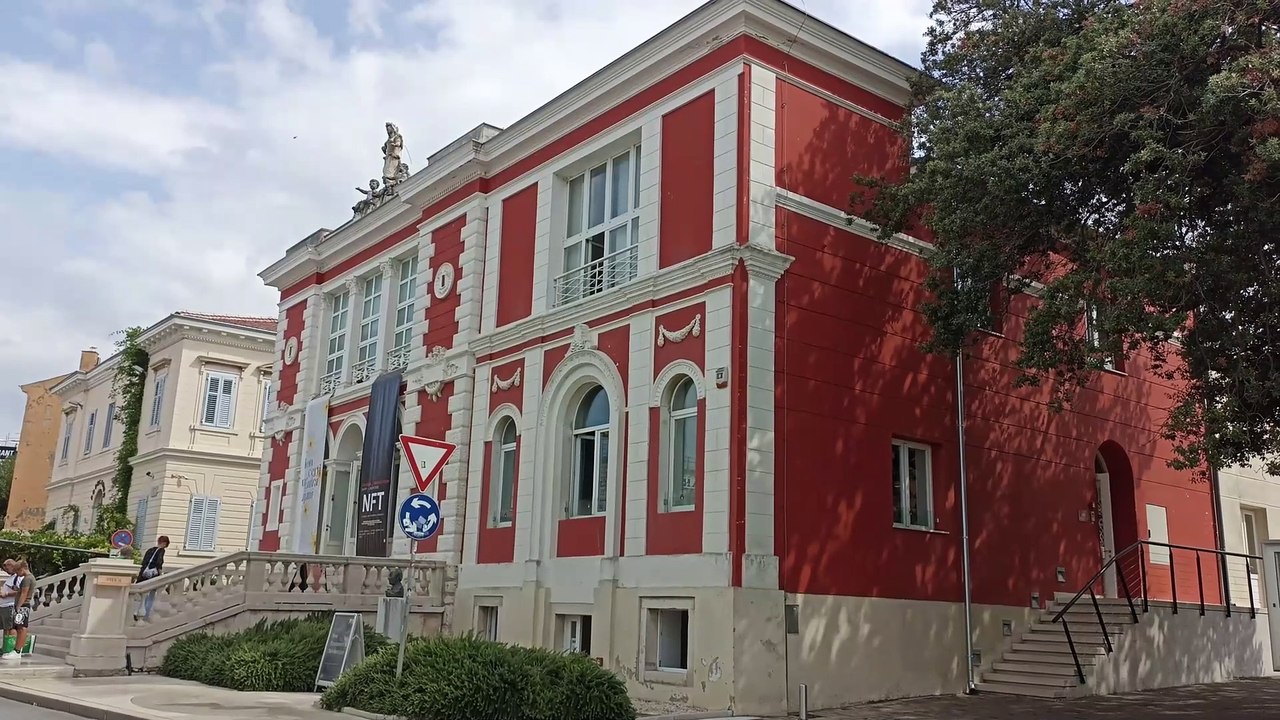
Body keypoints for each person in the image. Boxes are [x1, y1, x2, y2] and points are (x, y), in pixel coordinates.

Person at [4, 559, 34, 660]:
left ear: (22, 569)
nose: (17, 574)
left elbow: (24, 594)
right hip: (24, 606)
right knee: (19, 627)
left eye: (18, 571)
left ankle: (17, 651)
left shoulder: (27, 579)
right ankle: (17, 650)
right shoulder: (30, 578)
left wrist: (18, 607)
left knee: (21, 628)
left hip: (22, 606)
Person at [134, 536, 169, 621]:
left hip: (144, 575)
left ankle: (138, 611)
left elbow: (144, 562)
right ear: (164, 543)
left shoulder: (150, 550)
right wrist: (161, 575)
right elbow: (158, 563)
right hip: (153, 575)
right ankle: (145, 615)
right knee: (152, 595)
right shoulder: (161, 551)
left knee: (144, 595)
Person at [0, 558, 18, 655]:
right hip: (3, 606)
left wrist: (6, 593)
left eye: (7, 568)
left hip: (9, 606)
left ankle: (9, 649)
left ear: (11, 566)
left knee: (10, 627)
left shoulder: (17, 578)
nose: (6, 571)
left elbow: (19, 592)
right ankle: (4, 648)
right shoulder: (10, 578)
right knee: (5, 628)